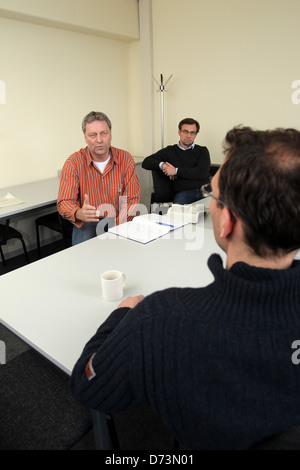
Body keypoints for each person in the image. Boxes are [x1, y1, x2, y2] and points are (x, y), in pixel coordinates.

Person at [70, 126, 300, 450]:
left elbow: (88, 383)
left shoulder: (163, 316)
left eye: (213, 194)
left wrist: (121, 315)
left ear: (226, 221)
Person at [57, 111, 141, 245]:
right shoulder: (73, 162)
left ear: (111, 135)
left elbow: (132, 199)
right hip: (89, 221)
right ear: (85, 138)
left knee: (127, 255)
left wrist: (118, 226)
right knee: (84, 258)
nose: (99, 140)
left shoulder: (125, 158)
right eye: (93, 135)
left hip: (120, 218)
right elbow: (64, 201)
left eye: (103, 133)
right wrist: (78, 213)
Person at [142, 118, 210, 204]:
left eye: (192, 132)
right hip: (185, 193)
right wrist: (164, 165)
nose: (189, 136)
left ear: (196, 134)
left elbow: (202, 173)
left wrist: (176, 171)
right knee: (176, 214)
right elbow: (146, 162)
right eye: (185, 131)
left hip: (205, 191)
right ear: (179, 132)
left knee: (220, 213)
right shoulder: (169, 151)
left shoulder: (202, 151)